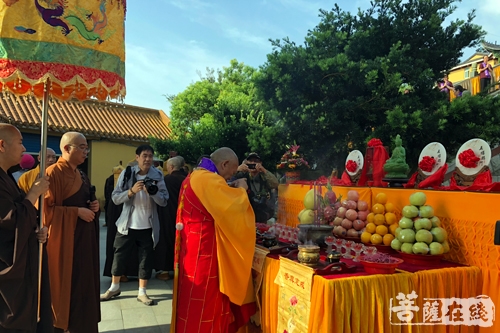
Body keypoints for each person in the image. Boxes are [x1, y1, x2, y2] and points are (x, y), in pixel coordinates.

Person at [171, 147, 256, 333]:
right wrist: (242, 190)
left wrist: (229, 186)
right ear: (224, 164)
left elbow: (215, 200)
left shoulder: (196, 176)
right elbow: (234, 208)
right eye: (231, 172)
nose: (228, 177)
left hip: (191, 249)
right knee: (206, 302)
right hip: (204, 252)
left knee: (191, 301)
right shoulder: (207, 180)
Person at [43, 132, 100, 333]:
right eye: (82, 147)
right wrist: (76, 212)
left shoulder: (81, 174)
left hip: (84, 241)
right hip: (66, 242)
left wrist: (93, 206)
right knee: (69, 286)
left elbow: (84, 202)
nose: (86, 152)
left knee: (84, 283)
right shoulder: (52, 173)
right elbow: (45, 212)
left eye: (87, 148)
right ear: (67, 148)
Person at [0, 124, 53, 333]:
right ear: (2, 145)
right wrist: (33, 194)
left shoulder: (7, 176)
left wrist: (36, 229)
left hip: (23, 257)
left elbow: (21, 216)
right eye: (21, 143)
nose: (24, 149)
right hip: (7, 264)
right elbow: (9, 219)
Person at [100, 145, 169, 306]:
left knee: (145, 259)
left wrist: (153, 193)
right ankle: (114, 287)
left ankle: (142, 292)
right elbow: (115, 198)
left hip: (148, 226)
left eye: (150, 156)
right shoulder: (128, 173)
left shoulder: (158, 175)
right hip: (127, 224)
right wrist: (131, 191)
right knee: (119, 256)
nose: (148, 159)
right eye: (144, 156)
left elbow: (164, 200)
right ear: (137, 157)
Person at [103, 162, 139, 281]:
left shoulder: (110, 179)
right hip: (120, 210)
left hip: (115, 210)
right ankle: (120, 273)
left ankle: (120, 273)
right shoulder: (130, 177)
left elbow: (107, 195)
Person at [155, 156, 187, 280]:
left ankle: (165, 271)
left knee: (166, 240)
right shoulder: (186, 180)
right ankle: (180, 268)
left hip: (168, 214)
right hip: (183, 215)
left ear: (171, 167)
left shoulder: (167, 180)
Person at [234, 152, 279, 222]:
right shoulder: (241, 175)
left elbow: (275, 184)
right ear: (246, 162)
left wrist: (264, 170)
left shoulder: (264, 176)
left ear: (261, 163)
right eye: (250, 161)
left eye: (256, 161)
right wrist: (237, 170)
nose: (253, 163)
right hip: (245, 213)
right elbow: (228, 182)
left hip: (262, 213)